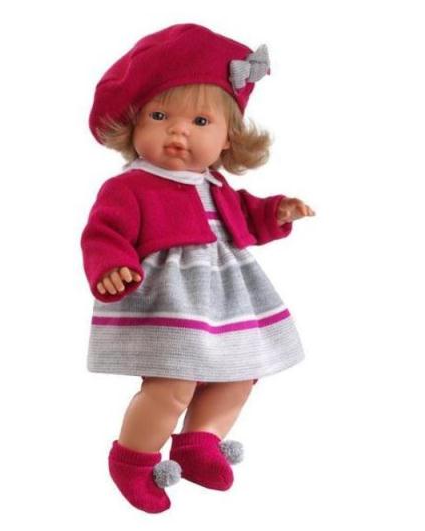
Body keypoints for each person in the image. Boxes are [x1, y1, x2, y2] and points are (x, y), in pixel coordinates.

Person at [81, 23, 315, 513]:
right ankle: (133, 459)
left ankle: (200, 443)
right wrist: (111, 266)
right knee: (172, 386)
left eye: (201, 121)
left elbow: (246, 216)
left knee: (241, 374)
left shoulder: (217, 185)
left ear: (229, 139)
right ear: (134, 124)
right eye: (159, 115)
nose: (178, 130)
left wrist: (276, 212)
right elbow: (103, 233)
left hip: (224, 304)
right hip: (168, 302)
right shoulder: (130, 187)